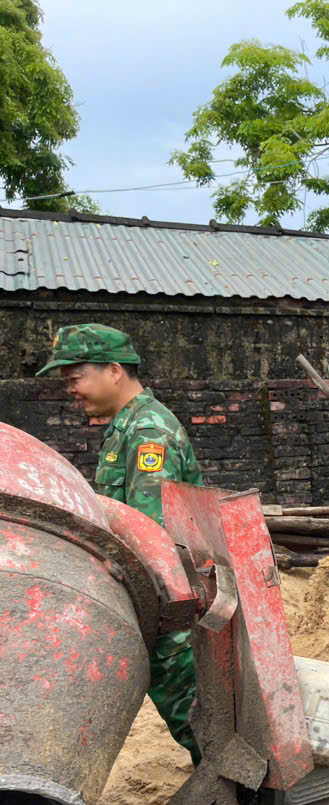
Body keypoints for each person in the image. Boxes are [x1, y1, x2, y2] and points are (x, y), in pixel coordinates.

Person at [37, 323, 205, 763]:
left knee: (186, 698)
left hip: (172, 595)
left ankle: (243, 792)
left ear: (114, 370)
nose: (70, 390)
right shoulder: (124, 427)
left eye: (74, 378)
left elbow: (151, 535)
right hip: (157, 591)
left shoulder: (149, 431)